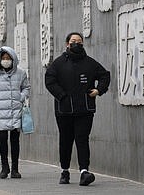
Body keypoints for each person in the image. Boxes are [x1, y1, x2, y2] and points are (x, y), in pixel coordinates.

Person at [45, 32, 110, 186]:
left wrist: (98, 90)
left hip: (85, 109)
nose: (76, 44)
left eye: (79, 41)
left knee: (82, 139)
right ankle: (65, 171)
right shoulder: (58, 63)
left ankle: (84, 172)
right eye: (73, 41)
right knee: (66, 140)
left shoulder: (90, 63)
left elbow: (105, 75)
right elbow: (49, 81)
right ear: (67, 44)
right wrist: (62, 96)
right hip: (64, 109)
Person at [0, 46, 30, 179]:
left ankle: (15, 169)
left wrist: (21, 97)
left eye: (8, 58)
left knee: (15, 140)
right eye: (3, 58)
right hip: (0, 111)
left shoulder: (21, 73)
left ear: (13, 59)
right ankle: (5, 167)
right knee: (2, 139)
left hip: (16, 110)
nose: (6, 60)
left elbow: (26, 88)